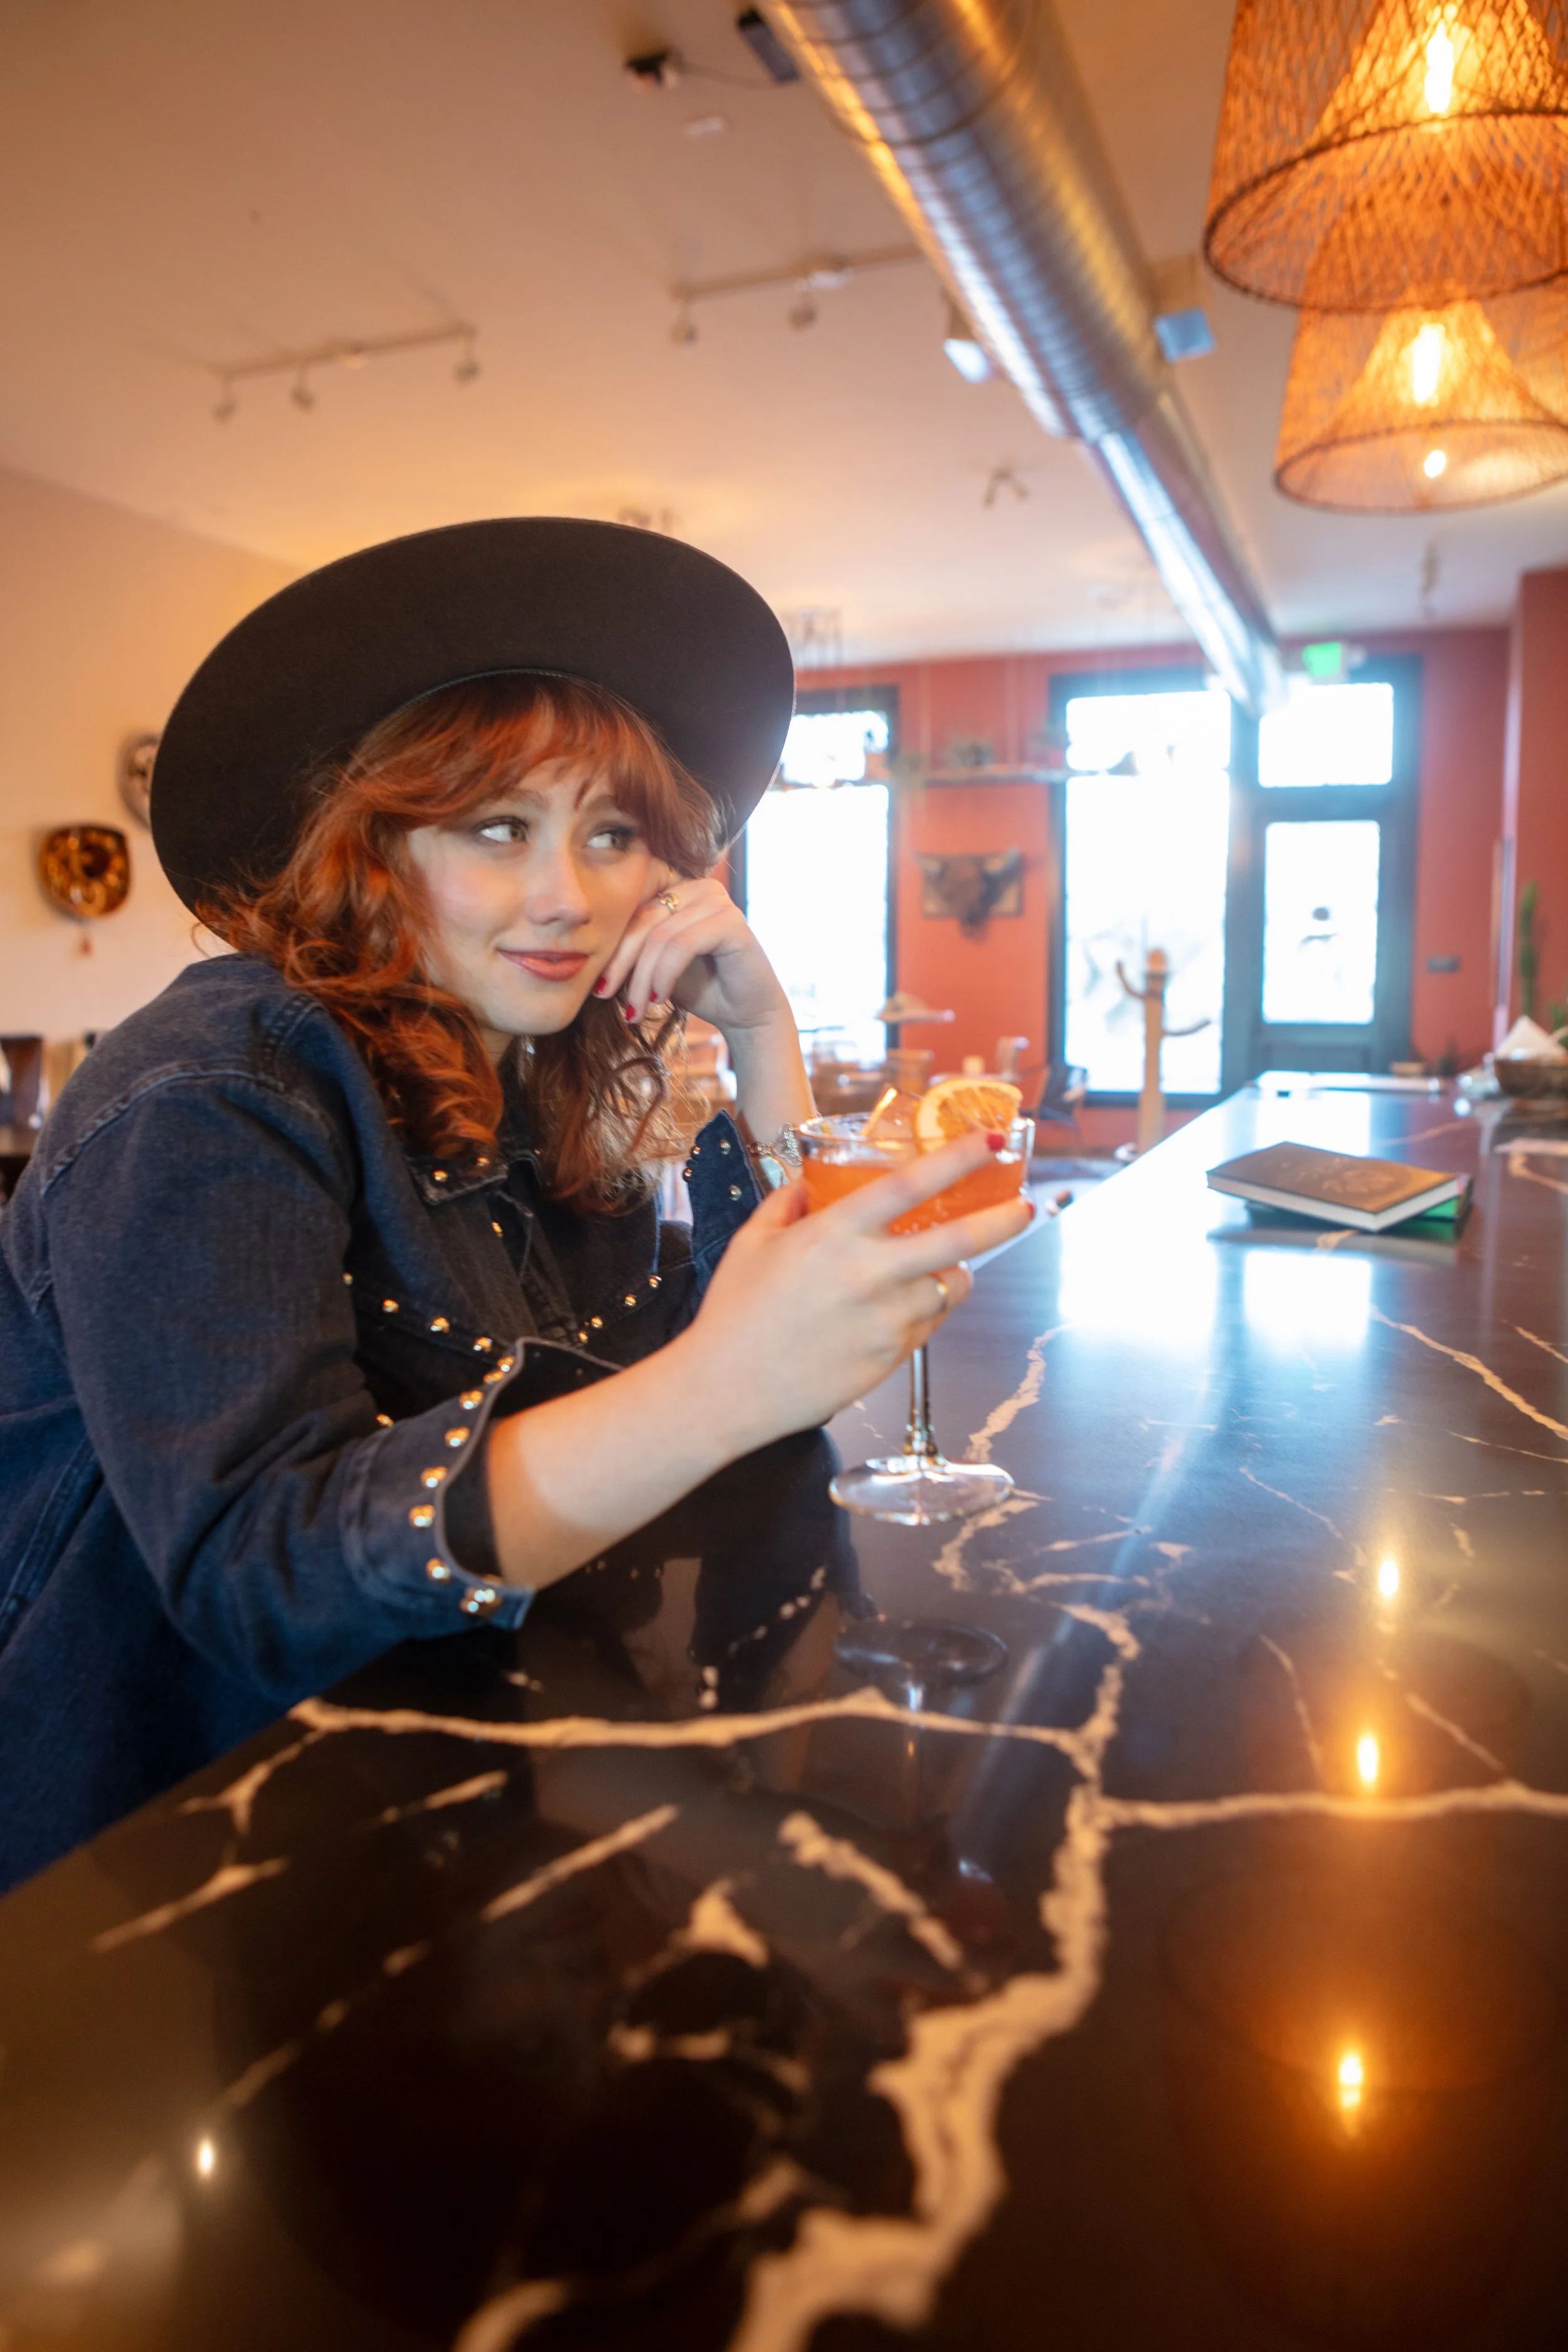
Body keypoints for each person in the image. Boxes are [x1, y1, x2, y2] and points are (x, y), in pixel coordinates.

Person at [0, 520, 1030, 1890]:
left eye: (611, 836)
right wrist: (720, 1387)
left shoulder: (523, 1077)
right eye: (498, 829)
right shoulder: (209, 1094)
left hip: (448, 1770)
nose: (569, 897)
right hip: (157, 1855)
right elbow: (263, 1573)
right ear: (371, 851)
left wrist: (763, 1040)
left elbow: (750, 1364)